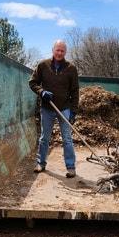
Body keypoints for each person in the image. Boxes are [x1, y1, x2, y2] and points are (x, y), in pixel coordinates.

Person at [29, 40, 79, 178]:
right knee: (45, 137)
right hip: (47, 108)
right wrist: (41, 92)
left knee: (67, 139)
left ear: (65, 52)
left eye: (62, 51)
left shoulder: (71, 68)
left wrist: (74, 111)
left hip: (64, 108)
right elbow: (32, 82)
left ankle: (71, 167)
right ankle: (41, 163)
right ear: (52, 50)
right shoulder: (43, 65)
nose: (59, 53)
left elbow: (75, 91)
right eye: (57, 50)